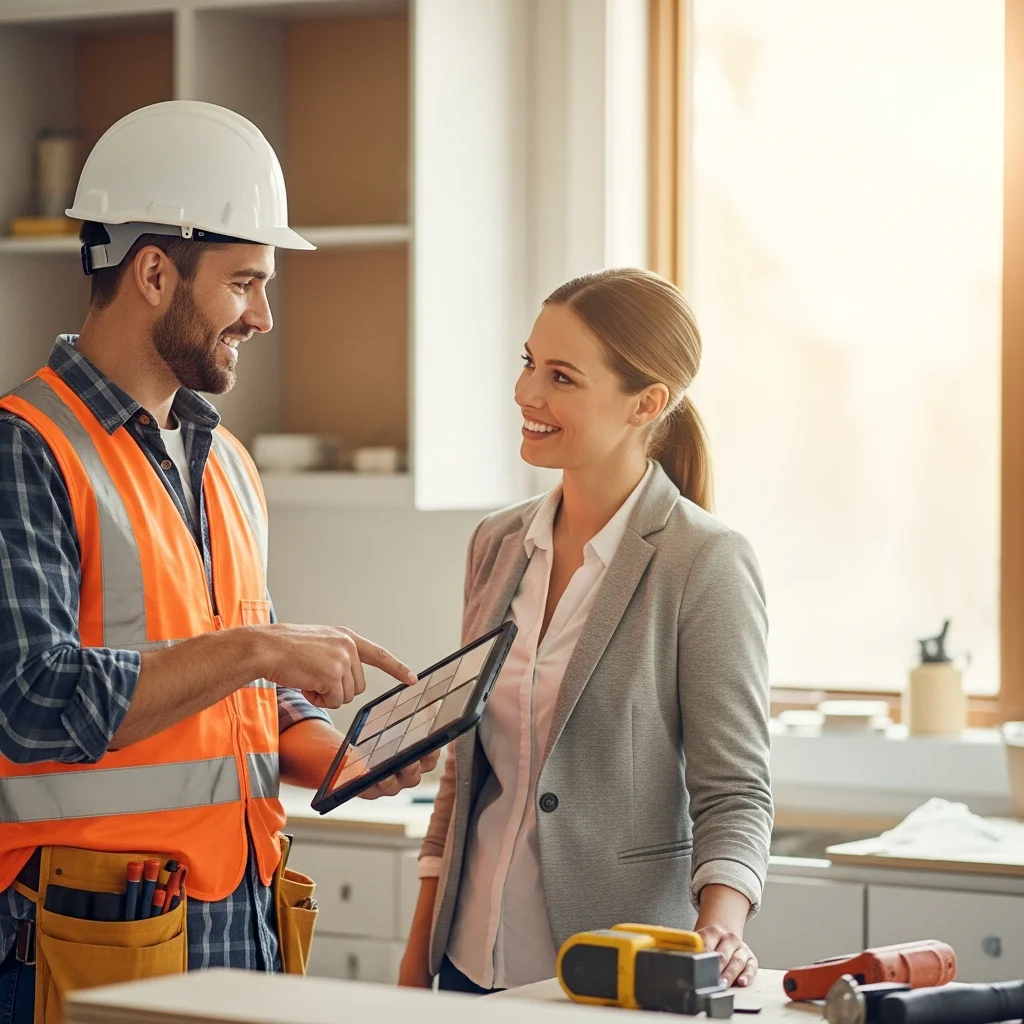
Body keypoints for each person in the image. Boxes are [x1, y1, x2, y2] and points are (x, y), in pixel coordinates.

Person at [0, 100, 436, 1023]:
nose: (264, 316)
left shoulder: (225, 463)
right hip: (87, 932)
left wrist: (348, 758)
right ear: (154, 272)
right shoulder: (26, 448)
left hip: (240, 921)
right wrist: (259, 649)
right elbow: (30, 701)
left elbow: (240, 707)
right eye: (244, 283)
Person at [399, 268, 773, 995]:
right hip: (469, 961)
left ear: (647, 404)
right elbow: (463, 767)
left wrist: (719, 927)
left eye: (562, 377)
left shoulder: (705, 563)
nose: (526, 394)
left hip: (614, 971)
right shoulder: (497, 544)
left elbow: (735, 792)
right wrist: (419, 956)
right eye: (528, 364)